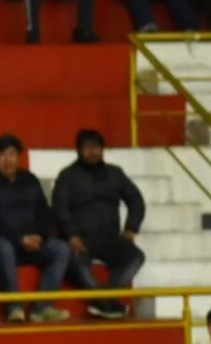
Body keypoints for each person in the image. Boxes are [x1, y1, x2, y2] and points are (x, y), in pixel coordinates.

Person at [0, 134, 70, 323]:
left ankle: (42, 307)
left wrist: (40, 236)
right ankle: (14, 307)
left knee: (61, 249)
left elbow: (44, 212)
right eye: (2, 154)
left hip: (32, 243)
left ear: (19, 157)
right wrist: (19, 238)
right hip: (1, 244)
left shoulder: (30, 180)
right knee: (1, 245)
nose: (7, 160)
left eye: (12, 154)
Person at [51, 129, 146, 320]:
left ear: (103, 149)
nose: (92, 152)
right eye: (86, 148)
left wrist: (131, 229)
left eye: (96, 147)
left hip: (110, 238)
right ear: (78, 151)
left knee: (135, 257)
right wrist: (72, 236)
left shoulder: (115, 173)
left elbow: (136, 200)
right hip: (81, 240)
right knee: (79, 264)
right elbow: (60, 209)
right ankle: (106, 303)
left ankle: (104, 300)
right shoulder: (67, 176)